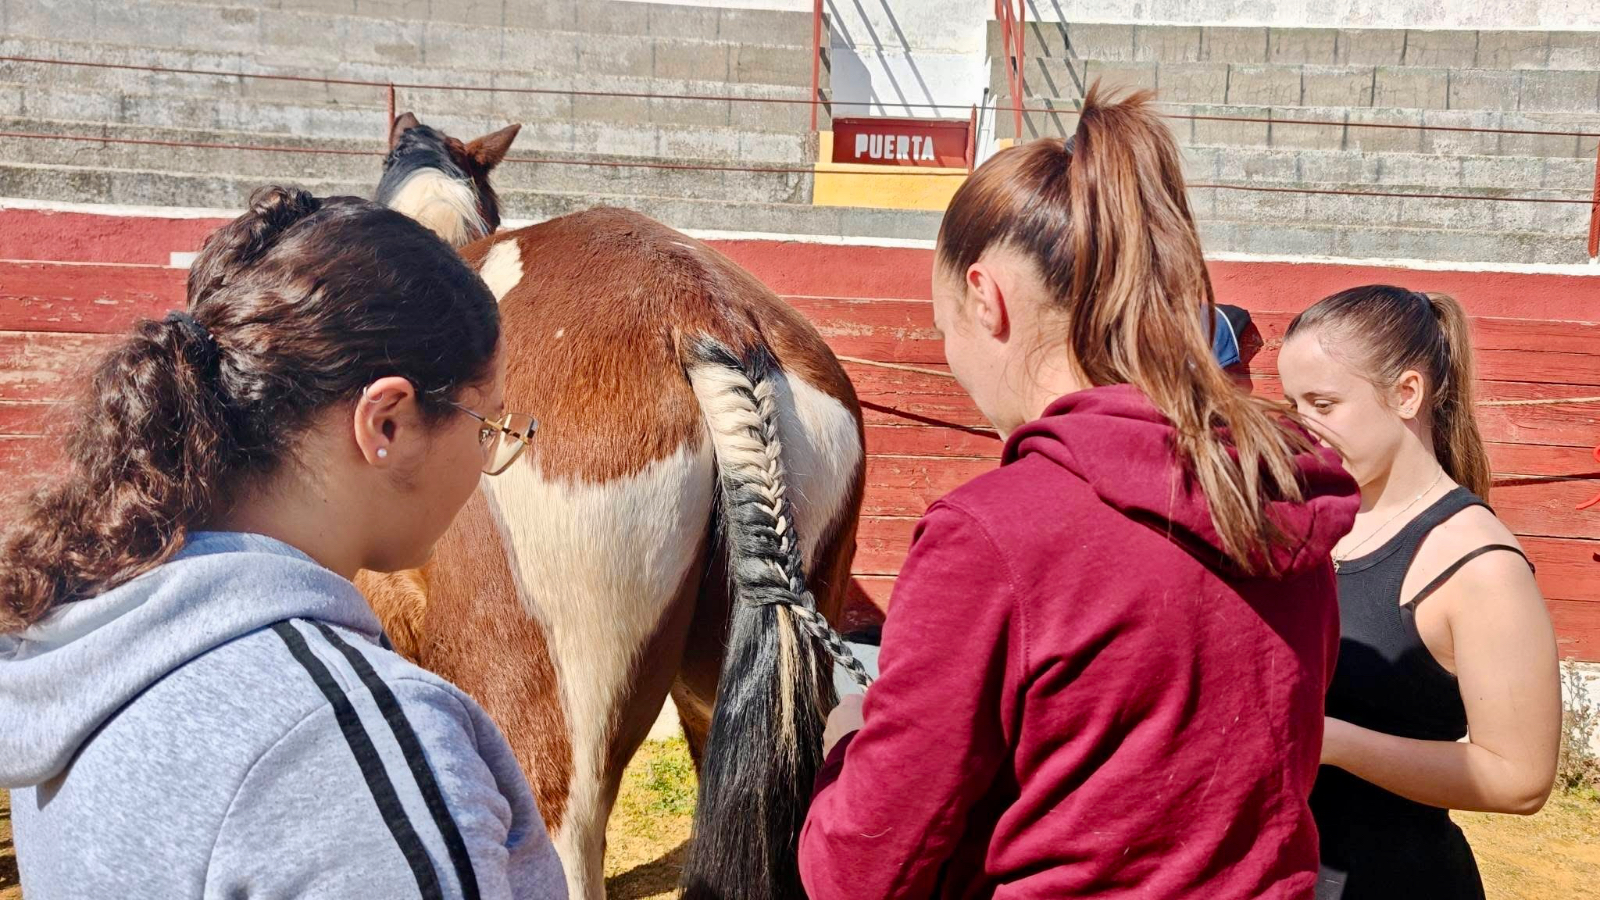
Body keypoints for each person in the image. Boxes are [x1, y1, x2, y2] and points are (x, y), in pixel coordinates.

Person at [797, 85, 1360, 900]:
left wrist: (849, 741)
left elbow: (857, 872)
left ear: (987, 300)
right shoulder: (1275, 488)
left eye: (944, 324)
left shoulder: (993, 534)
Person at [0, 187, 565, 899]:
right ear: (386, 422)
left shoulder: (82, 643)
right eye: (485, 425)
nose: (488, 460)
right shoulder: (345, 740)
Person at [1279, 285, 1561, 900]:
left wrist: (1333, 743)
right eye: (1294, 403)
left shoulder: (1478, 563)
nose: (1305, 427)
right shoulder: (1310, 519)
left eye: (1324, 403)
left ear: (1407, 394)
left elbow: (1519, 779)